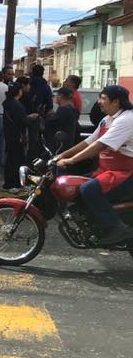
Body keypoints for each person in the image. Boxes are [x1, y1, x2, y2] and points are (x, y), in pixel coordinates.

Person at [55, 85, 133, 246]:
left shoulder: (126, 119)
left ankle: (117, 228)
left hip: (125, 172)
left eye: (103, 98)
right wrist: (61, 155)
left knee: (88, 189)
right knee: (78, 183)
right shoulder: (107, 119)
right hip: (108, 171)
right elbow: (89, 141)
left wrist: (71, 160)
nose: (99, 102)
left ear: (116, 101)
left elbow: (100, 145)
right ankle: (94, 224)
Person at [2, 81, 28, 192]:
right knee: (17, 159)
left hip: (8, 133)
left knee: (10, 159)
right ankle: (14, 183)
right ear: (19, 91)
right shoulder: (18, 105)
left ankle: (9, 183)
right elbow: (22, 121)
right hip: (17, 135)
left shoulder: (6, 103)